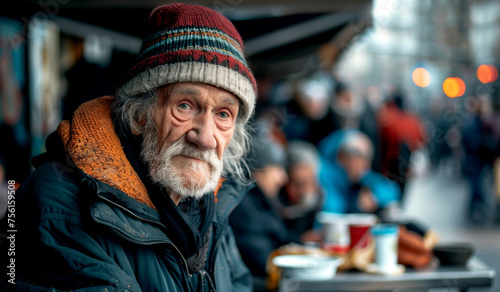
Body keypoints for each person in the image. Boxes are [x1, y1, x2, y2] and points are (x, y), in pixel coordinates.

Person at [14, 4, 256, 291]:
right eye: (185, 106)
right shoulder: (62, 200)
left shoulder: (211, 203)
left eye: (223, 114)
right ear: (139, 115)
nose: (205, 137)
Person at [229, 120, 290, 291]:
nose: (282, 178)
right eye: (276, 169)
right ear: (258, 170)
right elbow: (263, 260)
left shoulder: (262, 201)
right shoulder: (243, 208)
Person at [318, 129, 400, 214]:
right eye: (362, 160)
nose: (366, 167)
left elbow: (391, 190)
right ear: (342, 157)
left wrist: (375, 197)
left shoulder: (359, 175)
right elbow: (332, 209)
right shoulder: (322, 173)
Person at [277, 140, 323, 243]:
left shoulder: (317, 197)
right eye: (297, 184)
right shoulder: (273, 200)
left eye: (309, 182)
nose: (304, 191)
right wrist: (299, 240)